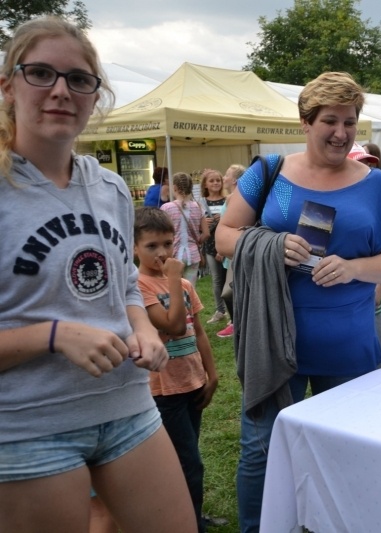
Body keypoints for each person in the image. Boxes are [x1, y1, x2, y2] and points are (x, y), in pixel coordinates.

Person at [0, 16, 195, 533]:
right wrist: (55, 335)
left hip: (127, 406)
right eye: (40, 73)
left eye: (79, 79)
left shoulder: (108, 187)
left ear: (93, 95)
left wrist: (145, 329)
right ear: (7, 85)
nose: (61, 90)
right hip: (29, 425)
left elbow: (124, 284)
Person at [216, 71, 381, 532]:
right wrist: (269, 244)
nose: (342, 133)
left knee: (347, 450)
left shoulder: (376, 184)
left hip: (349, 346)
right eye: (330, 121)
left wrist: (355, 268)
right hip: (274, 343)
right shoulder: (269, 173)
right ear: (305, 122)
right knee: (261, 450)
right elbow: (224, 235)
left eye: (350, 121)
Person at [134, 207, 219, 532]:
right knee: (187, 463)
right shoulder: (138, 287)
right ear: (134, 248)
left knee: (187, 455)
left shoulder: (183, 284)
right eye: (152, 246)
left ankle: (189, 514)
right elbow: (173, 326)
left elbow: (197, 332)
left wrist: (211, 375)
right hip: (164, 390)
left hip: (191, 382)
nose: (163, 253)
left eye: (168, 244)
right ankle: (188, 523)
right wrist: (171, 278)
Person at [346, 142, 381, 357]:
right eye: (358, 165)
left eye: (367, 165)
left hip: (371, 311)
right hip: (334, 313)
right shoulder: (320, 205)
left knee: (373, 376)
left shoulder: (378, 205)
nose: (365, 173)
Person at [161, 172, 209, 286]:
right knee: (190, 289)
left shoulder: (166, 208)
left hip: (173, 253)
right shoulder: (198, 207)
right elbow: (206, 233)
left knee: (173, 288)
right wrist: (197, 241)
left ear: (175, 187)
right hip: (193, 254)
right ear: (191, 188)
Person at [216, 163, 246, 339]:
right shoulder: (232, 198)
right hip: (229, 253)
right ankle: (236, 323)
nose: (224, 178)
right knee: (231, 290)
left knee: (230, 291)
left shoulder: (236, 199)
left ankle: (237, 324)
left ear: (234, 179)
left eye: (226, 175)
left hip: (235, 252)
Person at [199, 168, 228, 324]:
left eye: (218, 180)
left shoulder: (228, 200)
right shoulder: (201, 203)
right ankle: (220, 310)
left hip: (225, 246)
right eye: (212, 180)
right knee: (217, 280)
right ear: (205, 184)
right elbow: (196, 223)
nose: (216, 183)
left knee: (230, 281)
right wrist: (202, 224)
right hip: (210, 246)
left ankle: (233, 311)